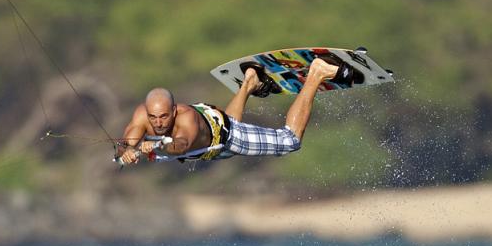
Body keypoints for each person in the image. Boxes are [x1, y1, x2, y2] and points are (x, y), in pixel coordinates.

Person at [116, 58, 341, 164]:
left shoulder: (186, 119)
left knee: (290, 141)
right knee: (227, 124)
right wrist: (125, 152)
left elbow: (180, 145)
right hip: (210, 142)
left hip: (227, 136)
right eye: (153, 117)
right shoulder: (142, 116)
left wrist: (155, 144)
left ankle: (316, 74)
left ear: (174, 110)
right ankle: (249, 82)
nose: (158, 123)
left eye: (164, 116)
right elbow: (123, 144)